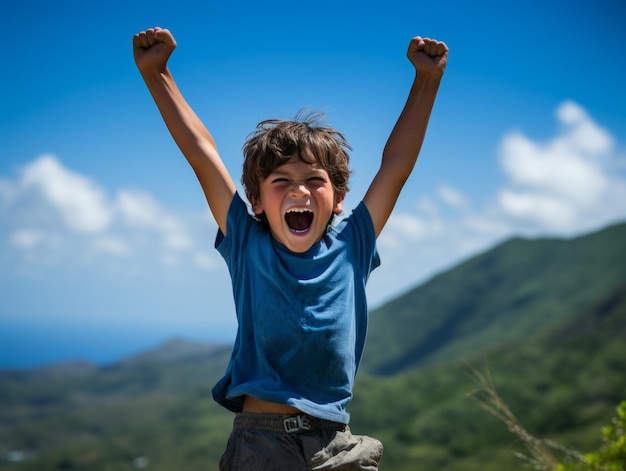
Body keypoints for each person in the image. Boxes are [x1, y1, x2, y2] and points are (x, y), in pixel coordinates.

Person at [133, 26, 448, 470]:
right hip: (261, 446)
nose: (299, 191)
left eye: (314, 181)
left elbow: (396, 166)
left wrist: (426, 80)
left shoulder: (353, 242)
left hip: (338, 444)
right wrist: (157, 73)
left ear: (338, 199)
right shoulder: (246, 241)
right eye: (281, 181)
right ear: (257, 201)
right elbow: (202, 153)